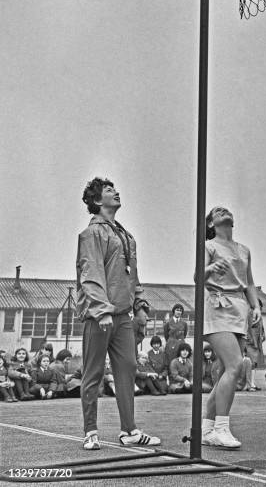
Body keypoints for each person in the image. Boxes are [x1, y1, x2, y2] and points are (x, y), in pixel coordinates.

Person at [77, 177, 159, 450]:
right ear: (98, 200)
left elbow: (133, 277)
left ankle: (130, 430)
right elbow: (90, 274)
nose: (117, 192)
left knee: (128, 369)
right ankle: (90, 431)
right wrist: (101, 311)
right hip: (99, 316)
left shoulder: (126, 235)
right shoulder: (92, 234)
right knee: (94, 372)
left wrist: (140, 307)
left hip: (123, 315)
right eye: (110, 190)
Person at [201, 206, 261, 448]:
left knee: (229, 369)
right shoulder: (208, 247)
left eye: (225, 210)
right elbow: (197, 277)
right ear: (211, 224)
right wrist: (210, 269)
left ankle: (206, 429)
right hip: (217, 304)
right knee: (235, 365)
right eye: (217, 211)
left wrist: (255, 307)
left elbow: (249, 283)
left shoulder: (244, 250)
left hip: (239, 308)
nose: (223, 211)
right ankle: (222, 428)